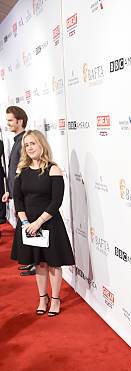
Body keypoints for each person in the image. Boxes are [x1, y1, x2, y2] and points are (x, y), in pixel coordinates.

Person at [10, 130, 74, 316]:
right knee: (39, 263)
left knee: (53, 263)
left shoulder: (53, 169)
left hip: (49, 223)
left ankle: (55, 299)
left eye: (33, 143)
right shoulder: (21, 170)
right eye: (27, 145)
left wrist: (38, 222)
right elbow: (18, 199)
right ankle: (42, 298)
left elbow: (56, 202)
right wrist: (24, 222)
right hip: (28, 225)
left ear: (42, 145)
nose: (29, 148)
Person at [2, 105, 35, 276]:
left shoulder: (25, 141)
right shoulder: (17, 140)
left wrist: (18, 192)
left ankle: (36, 262)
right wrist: (10, 191)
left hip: (25, 194)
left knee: (29, 226)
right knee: (25, 227)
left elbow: (24, 169)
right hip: (18, 193)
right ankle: (31, 261)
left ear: (20, 121)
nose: (7, 123)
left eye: (10, 120)